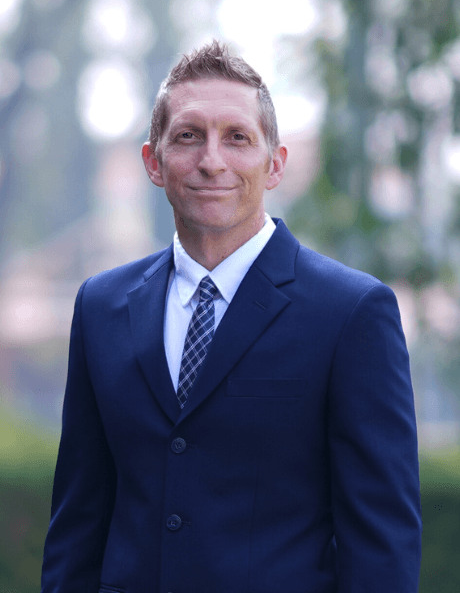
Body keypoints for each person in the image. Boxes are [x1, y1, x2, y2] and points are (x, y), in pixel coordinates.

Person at [41, 40, 421, 593]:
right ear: (153, 162)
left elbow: (381, 549)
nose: (212, 160)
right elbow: (77, 523)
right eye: (188, 136)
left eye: (237, 137)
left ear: (275, 164)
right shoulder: (101, 307)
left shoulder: (351, 314)